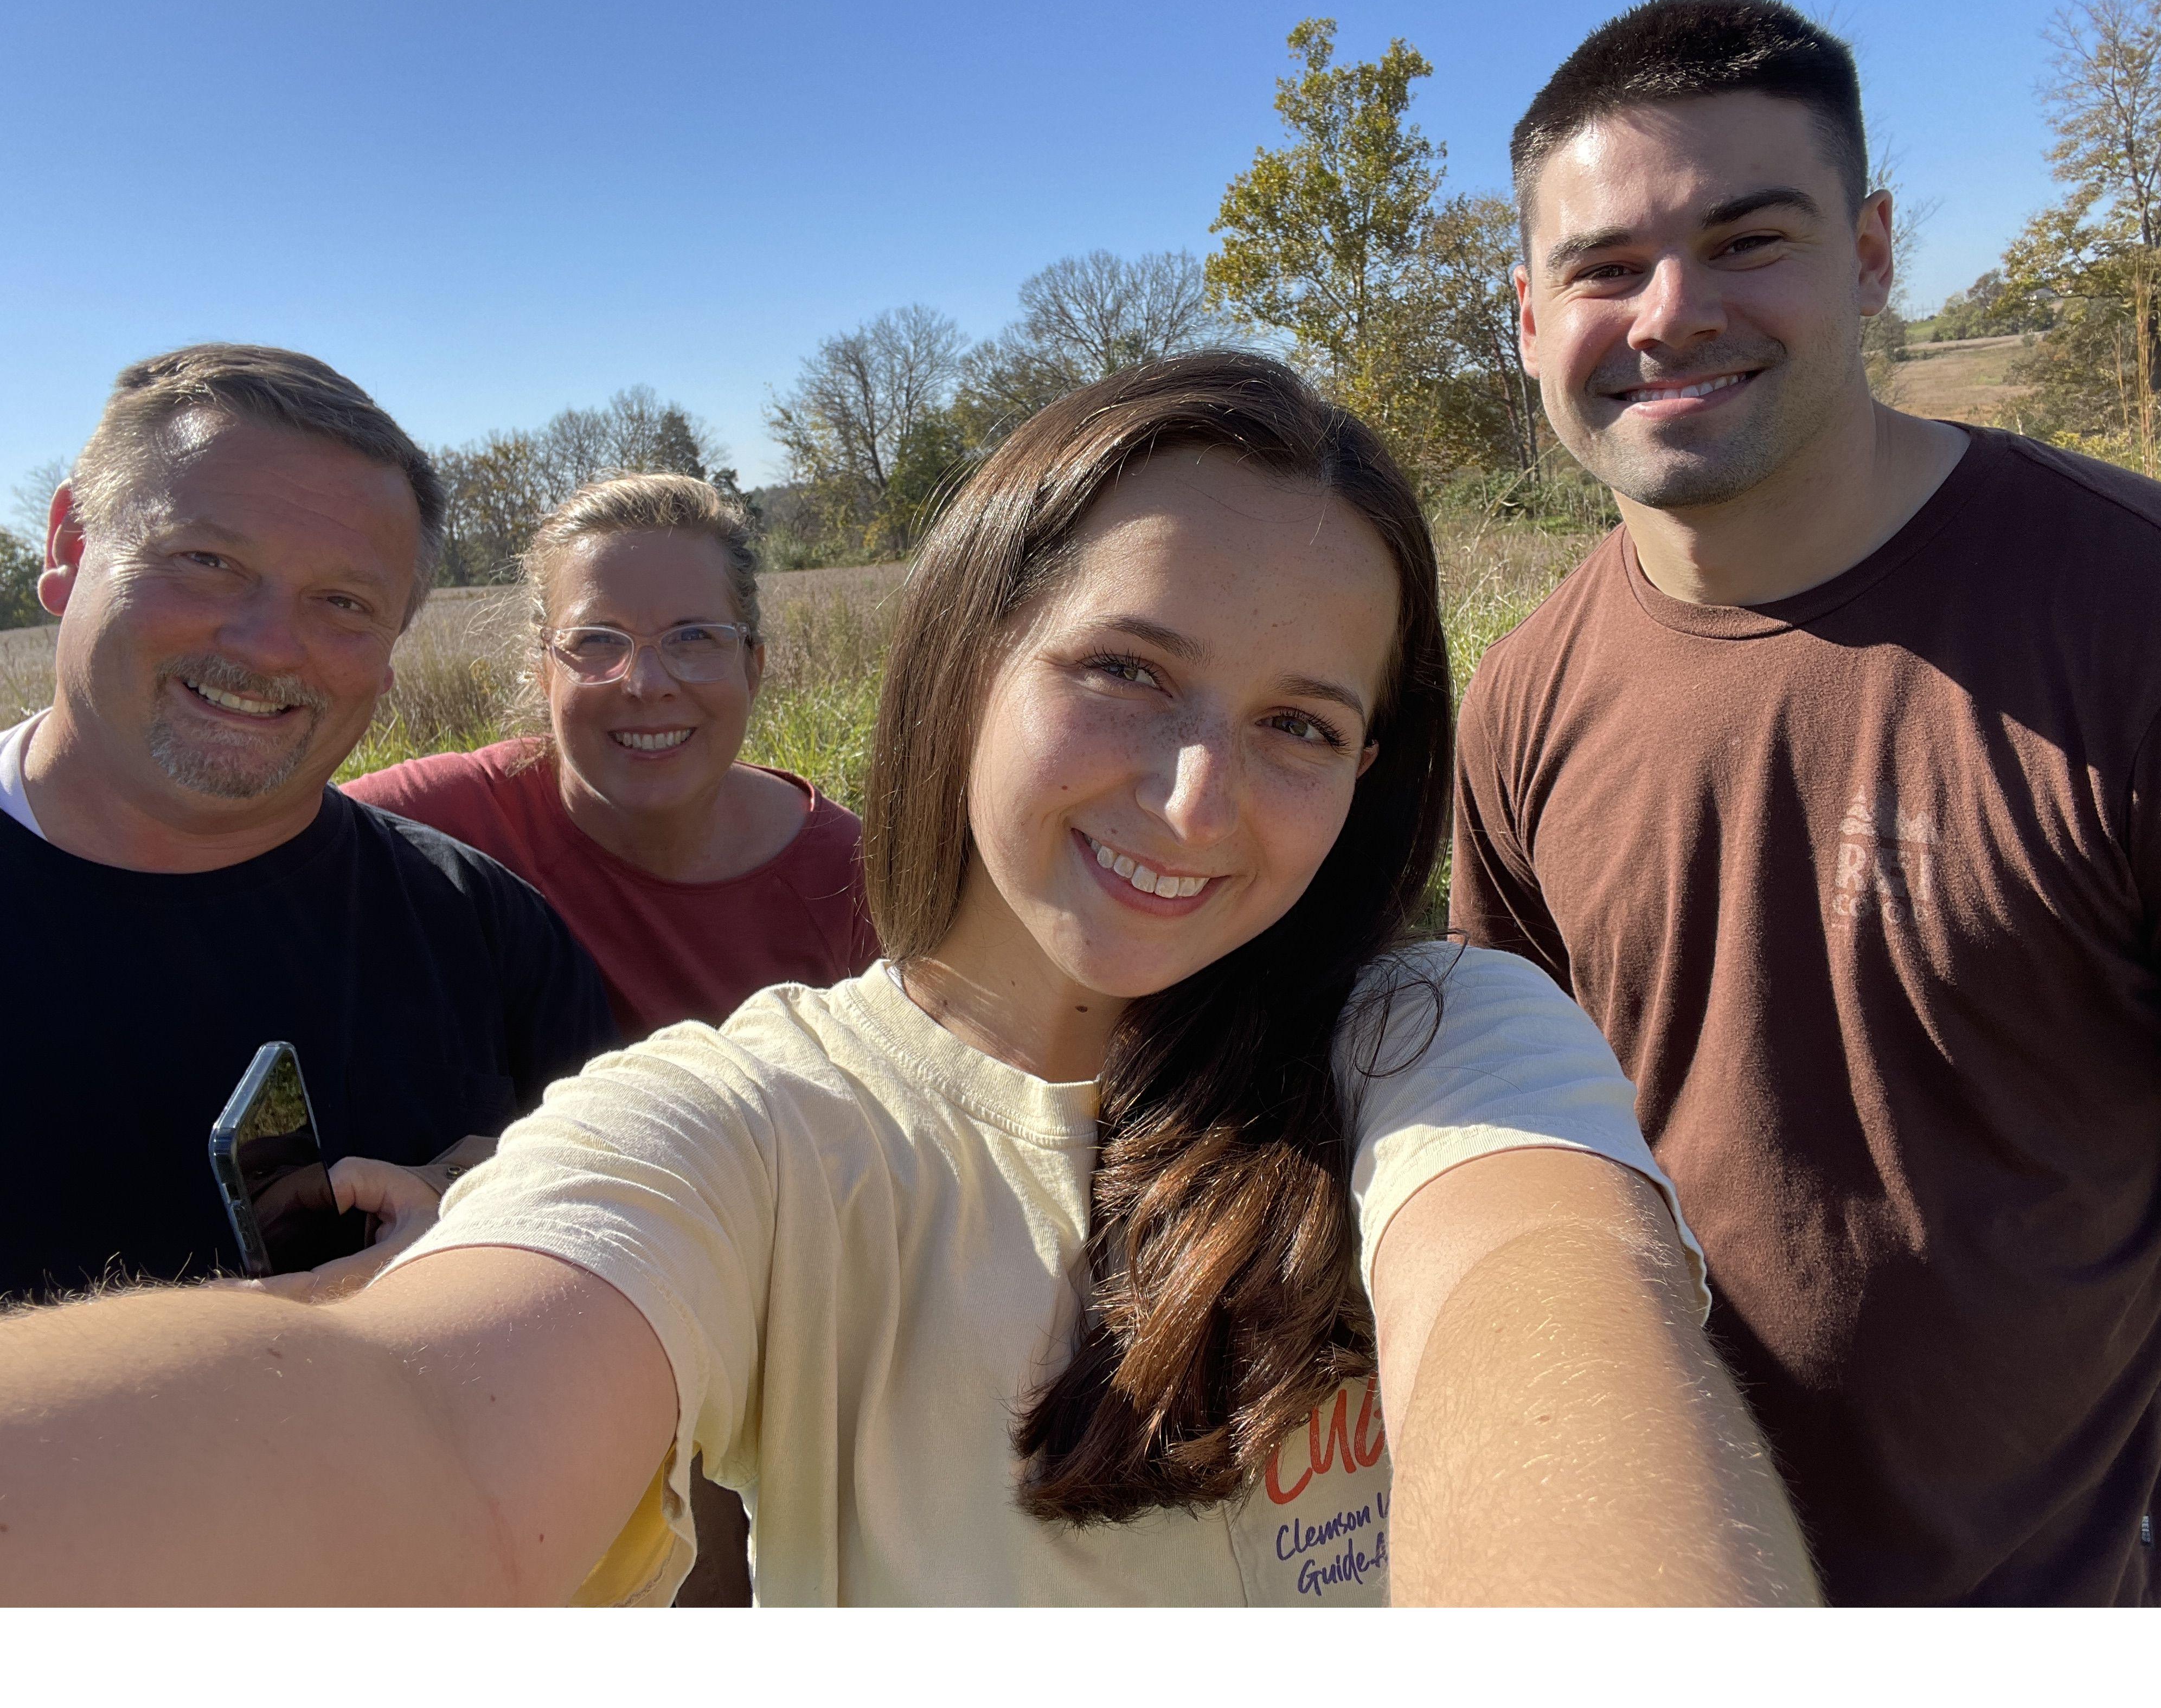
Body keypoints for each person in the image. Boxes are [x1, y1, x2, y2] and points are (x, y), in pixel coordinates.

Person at [0, 354, 1814, 1607]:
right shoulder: (759, 1123)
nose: (1195, 794)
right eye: (1123, 669)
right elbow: (424, 1438)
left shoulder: (1438, 1041)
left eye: (1300, 723)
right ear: (966, 664)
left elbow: (1552, 1308)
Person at [1447, 0, 2161, 1607]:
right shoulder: (1520, 702)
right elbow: (1521, 1143)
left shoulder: (2142, 622)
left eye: (1747, 238)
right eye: (1602, 269)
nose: (1669, 313)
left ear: (1869, 255)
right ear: (1525, 317)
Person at [345, 471, 877, 1605]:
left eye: (695, 637)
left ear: (755, 663)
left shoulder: (861, 886)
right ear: (538, 665)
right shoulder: (428, 827)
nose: (648, 683)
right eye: (598, 643)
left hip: (769, 1371)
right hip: (515, 1355)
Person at [0, 343, 617, 1305]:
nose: (268, 645)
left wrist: (486, 1213)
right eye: (207, 560)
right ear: (70, 548)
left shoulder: (487, 936)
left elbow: (620, 1247)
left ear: (393, 649)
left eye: (343, 602)